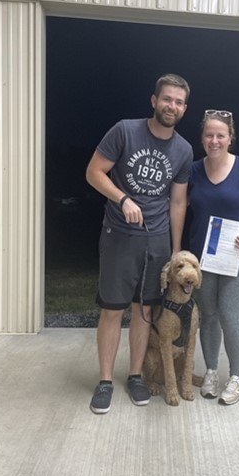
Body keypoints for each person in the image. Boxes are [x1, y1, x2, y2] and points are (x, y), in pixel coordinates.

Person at [86, 74, 193, 414]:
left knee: (145, 311)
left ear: (184, 108)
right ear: (154, 100)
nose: (171, 106)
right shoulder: (125, 131)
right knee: (113, 309)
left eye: (178, 102)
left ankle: (134, 375)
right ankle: (104, 381)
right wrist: (122, 199)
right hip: (119, 235)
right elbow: (94, 172)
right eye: (167, 99)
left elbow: (177, 202)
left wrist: (175, 248)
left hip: (157, 241)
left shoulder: (184, 150)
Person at [188, 109, 239, 405]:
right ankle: (210, 371)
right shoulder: (193, 170)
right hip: (204, 257)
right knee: (208, 316)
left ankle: (236, 377)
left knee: (231, 316)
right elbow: (181, 204)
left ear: (231, 137)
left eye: (221, 135)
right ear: (202, 138)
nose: (214, 140)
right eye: (209, 135)